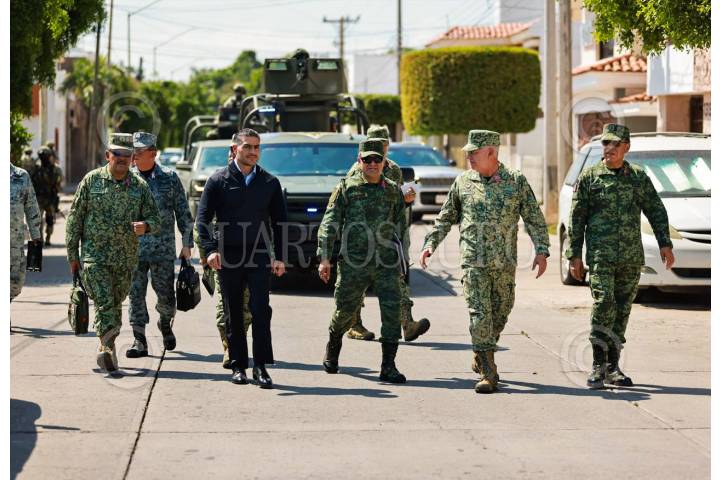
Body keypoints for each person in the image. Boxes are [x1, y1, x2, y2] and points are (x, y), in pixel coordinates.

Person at [420, 130, 550, 394]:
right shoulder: (463, 183)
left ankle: (481, 352)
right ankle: (489, 372)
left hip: (504, 263)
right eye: (467, 152)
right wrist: (430, 244)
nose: (468, 157)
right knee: (480, 316)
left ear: (491, 152)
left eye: (474, 152)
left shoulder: (516, 182)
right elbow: (445, 217)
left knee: (500, 313)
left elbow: (534, 217)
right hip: (474, 262)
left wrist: (542, 249)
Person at [566, 123, 674, 390]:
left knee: (622, 310)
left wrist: (665, 243)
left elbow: (656, 210)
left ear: (626, 147)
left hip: (629, 257)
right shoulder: (590, 177)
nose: (609, 149)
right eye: (605, 143)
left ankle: (613, 367)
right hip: (601, 256)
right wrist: (574, 255)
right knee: (604, 304)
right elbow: (576, 219)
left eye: (615, 144)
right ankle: (597, 366)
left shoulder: (637, 177)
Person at [196, 128, 288, 388]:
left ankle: (260, 367)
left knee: (261, 310)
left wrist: (279, 256)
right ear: (235, 149)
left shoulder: (270, 182)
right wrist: (211, 249)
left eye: (257, 147)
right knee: (233, 312)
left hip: (259, 254)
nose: (253, 152)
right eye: (247, 146)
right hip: (229, 256)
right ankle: (238, 366)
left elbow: (280, 222)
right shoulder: (218, 181)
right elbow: (203, 220)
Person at [65, 133, 160, 373]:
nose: (122, 159)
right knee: (105, 302)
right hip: (94, 258)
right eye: (117, 154)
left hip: (126, 260)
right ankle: (105, 348)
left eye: (127, 156)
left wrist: (146, 226)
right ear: (108, 155)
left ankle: (109, 346)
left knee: (115, 303)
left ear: (132, 159)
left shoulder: (139, 186)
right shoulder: (91, 181)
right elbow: (74, 219)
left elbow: (155, 219)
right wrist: (72, 256)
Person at [318, 139, 408, 383]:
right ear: (359, 162)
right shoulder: (347, 188)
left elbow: (401, 225)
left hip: (386, 263)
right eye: (366, 159)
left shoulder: (392, 190)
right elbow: (330, 222)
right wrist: (325, 257)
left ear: (384, 163)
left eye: (377, 160)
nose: (372, 164)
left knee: (391, 313)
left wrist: (402, 260)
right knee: (345, 311)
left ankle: (388, 366)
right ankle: (333, 345)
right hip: (354, 263)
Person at [344, 125, 430, 343]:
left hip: (390, 236)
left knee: (398, 279)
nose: (380, 147)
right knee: (358, 284)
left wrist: (406, 199)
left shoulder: (394, 168)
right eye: (375, 142)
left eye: (383, 142)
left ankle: (407, 324)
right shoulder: (357, 170)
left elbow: (395, 200)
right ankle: (353, 324)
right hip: (363, 238)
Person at [126, 132, 194, 358]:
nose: (134, 155)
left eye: (139, 151)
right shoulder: (126, 178)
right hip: (133, 250)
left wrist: (186, 243)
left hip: (162, 249)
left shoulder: (169, 178)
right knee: (135, 294)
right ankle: (139, 338)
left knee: (165, 295)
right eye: (133, 151)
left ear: (153, 153)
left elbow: (183, 213)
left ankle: (165, 324)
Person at [193, 224, 253, 369]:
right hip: (221, 259)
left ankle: (238, 344)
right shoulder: (218, 202)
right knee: (224, 307)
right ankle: (229, 348)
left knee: (245, 307)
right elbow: (200, 226)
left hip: (250, 258)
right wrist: (204, 254)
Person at [10, 164, 42, 302]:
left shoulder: (21, 176)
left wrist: (35, 235)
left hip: (14, 242)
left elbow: (31, 206)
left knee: (15, 282)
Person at [29, 146, 62, 246]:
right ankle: (43, 239)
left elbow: (58, 183)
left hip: (48, 198)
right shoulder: (38, 168)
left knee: (49, 219)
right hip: (40, 198)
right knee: (41, 220)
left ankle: (46, 238)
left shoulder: (53, 169)